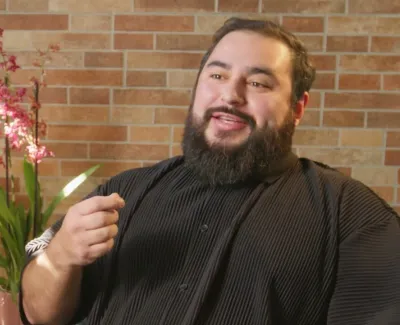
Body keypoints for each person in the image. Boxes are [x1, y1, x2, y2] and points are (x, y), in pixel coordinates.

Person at [20, 17, 400, 325]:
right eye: (217, 76)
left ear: (298, 108)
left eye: (257, 82)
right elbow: (37, 315)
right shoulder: (123, 192)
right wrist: (61, 256)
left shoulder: (354, 217)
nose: (230, 95)